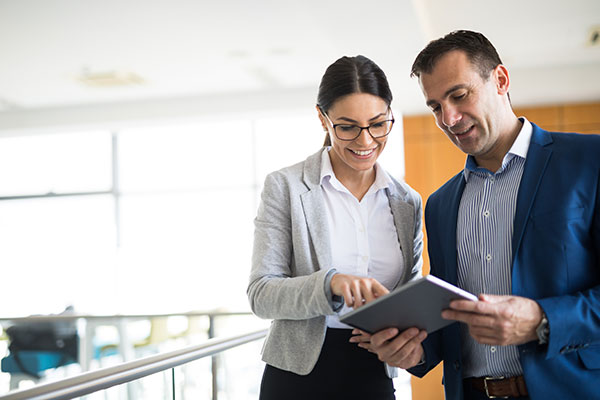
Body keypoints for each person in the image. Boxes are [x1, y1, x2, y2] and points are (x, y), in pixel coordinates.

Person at [364, 30, 600, 400]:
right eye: (436, 106)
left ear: (501, 80)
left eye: (459, 95)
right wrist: (415, 352)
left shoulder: (590, 161)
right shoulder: (441, 204)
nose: (449, 118)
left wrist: (542, 320)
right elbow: (450, 317)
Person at [247, 55, 423, 400]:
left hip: (374, 371)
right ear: (322, 119)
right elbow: (261, 294)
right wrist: (331, 284)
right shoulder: (287, 187)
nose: (365, 140)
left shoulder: (407, 202)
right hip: (297, 376)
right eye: (347, 126)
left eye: (378, 123)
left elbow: (408, 295)